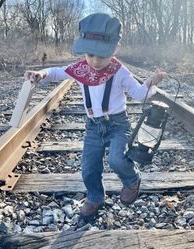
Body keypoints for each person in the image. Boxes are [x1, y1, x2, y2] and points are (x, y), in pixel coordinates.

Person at [25, 13, 166, 219]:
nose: (95, 61)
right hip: (93, 126)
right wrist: (42, 75)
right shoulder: (81, 69)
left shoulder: (120, 71)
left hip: (118, 125)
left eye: (102, 56)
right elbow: (57, 72)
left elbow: (137, 94)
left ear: (114, 50)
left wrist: (151, 82)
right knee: (89, 168)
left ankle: (132, 180)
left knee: (117, 160)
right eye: (90, 55)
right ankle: (95, 197)